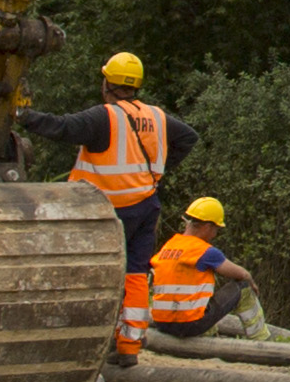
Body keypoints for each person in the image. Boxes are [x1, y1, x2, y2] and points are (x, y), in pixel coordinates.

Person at [11, 50, 191, 351]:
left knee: (91, 272)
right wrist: (157, 171)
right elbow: (188, 138)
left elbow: (62, 127)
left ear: (107, 83)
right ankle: (129, 345)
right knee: (135, 274)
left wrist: (23, 116)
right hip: (146, 206)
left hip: (108, 211)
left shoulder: (104, 117)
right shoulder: (157, 116)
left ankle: (81, 341)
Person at [141, 195, 250, 346]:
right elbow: (242, 274)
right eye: (216, 229)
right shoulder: (205, 251)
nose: (215, 234)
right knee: (243, 286)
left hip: (161, 322)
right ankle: (261, 338)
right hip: (190, 324)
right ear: (207, 226)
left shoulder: (168, 246)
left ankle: (211, 331)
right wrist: (251, 281)